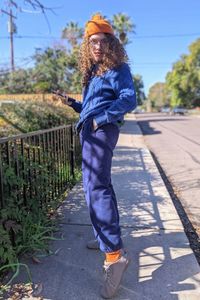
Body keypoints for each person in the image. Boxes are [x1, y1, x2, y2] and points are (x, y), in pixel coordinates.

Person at [54, 14, 137, 299]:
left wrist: (100, 119)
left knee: (96, 188)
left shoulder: (118, 68)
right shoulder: (92, 73)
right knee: (101, 186)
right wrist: (72, 103)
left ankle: (114, 258)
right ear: (87, 46)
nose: (98, 47)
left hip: (101, 132)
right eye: (92, 42)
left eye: (103, 41)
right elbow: (90, 107)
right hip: (91, 130)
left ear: (112, 43)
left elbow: (128, 99)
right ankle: (105, 238)